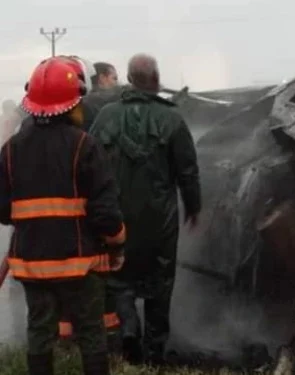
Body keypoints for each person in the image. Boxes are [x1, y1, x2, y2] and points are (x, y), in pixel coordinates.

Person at [0, 56, 127, 375]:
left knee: (39, 333)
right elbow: (106, 214)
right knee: (91, 333)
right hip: (80, 264)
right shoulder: (85, 145)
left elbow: (3, 212)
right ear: (74, 102)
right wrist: (117, 245)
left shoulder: (11, 149)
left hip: (31, 263)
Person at [89, 53, 201, 366]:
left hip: (118, 218)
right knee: (159, 284)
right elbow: (188, 171)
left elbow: (90, 164)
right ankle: (154, 355)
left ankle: (128, 328)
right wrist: (194, 208)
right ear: (154, 79)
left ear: (128, 78)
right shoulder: (173, 119)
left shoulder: (107, 116)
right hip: (159, 220)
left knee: (120, 279)